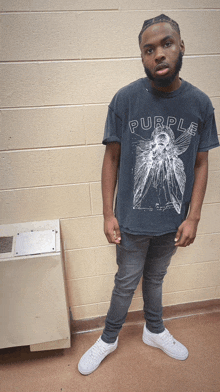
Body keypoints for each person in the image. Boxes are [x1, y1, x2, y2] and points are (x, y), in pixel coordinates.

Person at [78, 14, 219, 375]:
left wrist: (194, 216)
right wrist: (108, 214)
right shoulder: (125, 100)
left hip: (173, 219)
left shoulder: (201, 104)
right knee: (126, 280)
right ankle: (109, 337)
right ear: (142, 57)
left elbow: (200, 164)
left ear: (181, 46)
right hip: (132, 219)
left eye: (166, 44)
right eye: (148, 49)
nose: (158, 54)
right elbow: (111, 158)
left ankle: (154, 330)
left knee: (156, 277)